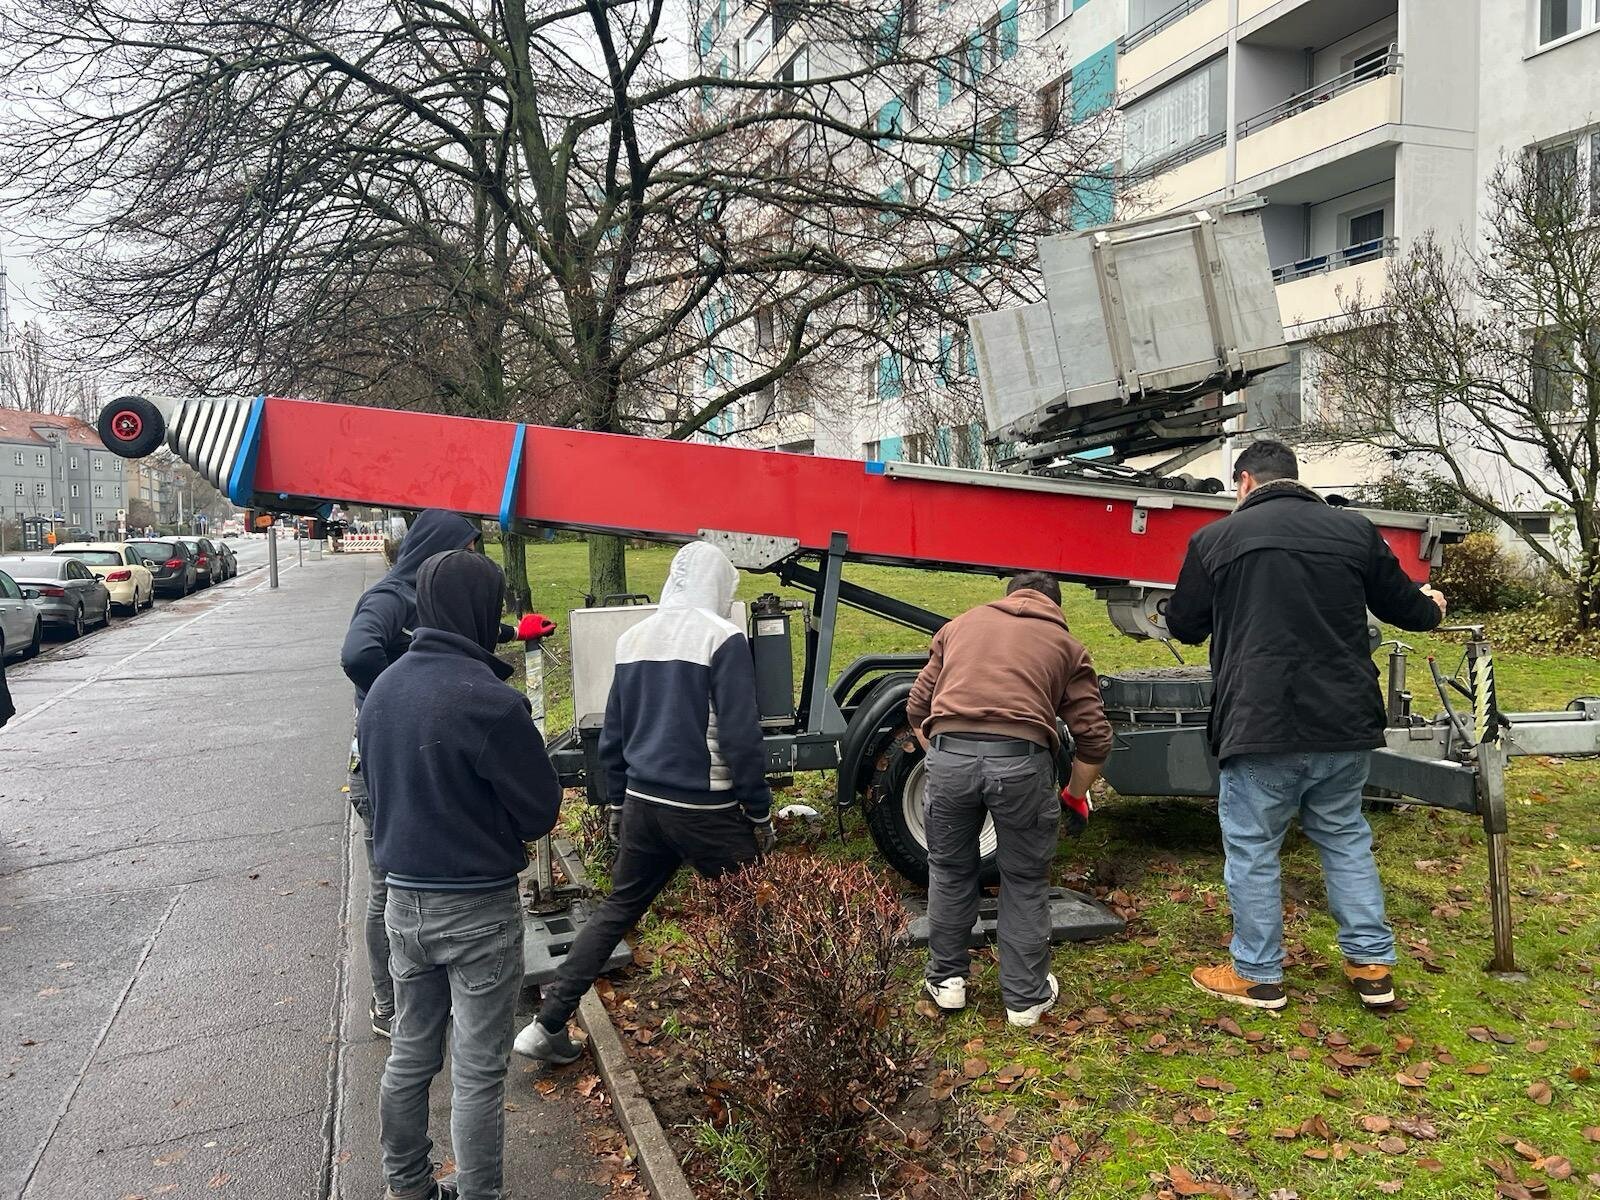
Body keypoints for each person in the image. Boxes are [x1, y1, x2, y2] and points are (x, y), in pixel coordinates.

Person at [1164, 439, 1447, 1012]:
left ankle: (1259, 975)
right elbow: (1408, 610)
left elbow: (1186, 626)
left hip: (1259, 721)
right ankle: (1371, 966)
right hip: (1343, 722)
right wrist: (1433, 604)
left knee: (1252, 848)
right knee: (1344, 837)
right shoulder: (1353, 531)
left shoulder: (1215, 539)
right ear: (1297, 478)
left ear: (1243, 483)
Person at [518, 540, 773, 1063]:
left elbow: (613, 733)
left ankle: (545, 1026)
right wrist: (759, 810)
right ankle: (760, 1037)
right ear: (719, 584)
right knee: (754, 912)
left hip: (642, 802)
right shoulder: (722, 638)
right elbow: (741, 737)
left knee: (618, 909)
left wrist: (616, 802)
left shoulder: (632, 639)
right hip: (707, 808)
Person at [359, 548, 562, 1200]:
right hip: (477, 910)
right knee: (476, 1072)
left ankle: (408, 1188)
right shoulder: (490, 703)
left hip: (403, 905)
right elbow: (539, 810)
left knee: (410, 1055)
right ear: (480, 611)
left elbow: (377, 793)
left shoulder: (383, 689)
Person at [906, 572, 1113, 1027]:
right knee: (1023, 878)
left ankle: (947, 983)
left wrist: (944, 757)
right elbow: (1094, 739)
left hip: (948, 759)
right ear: (1056, 606)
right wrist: (1075, 794)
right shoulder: (1066, 645)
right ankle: (1024, 999)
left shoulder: (958, 626)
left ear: (1009, 596)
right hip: (1021, 764)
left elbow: (918, 708)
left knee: (949, 868)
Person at [340, 509, 480, 1038]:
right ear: (437, 548)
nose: (471, 558)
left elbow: (453, 637)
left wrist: (513, 630)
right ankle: (387, 1004)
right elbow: (357, 654)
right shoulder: (389, 598)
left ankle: (425, 982)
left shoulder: (430, 595)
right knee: (388, 883)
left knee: (422, 874)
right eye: (464, 548)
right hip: (383, 763)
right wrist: (400, 695)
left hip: (424, 756)